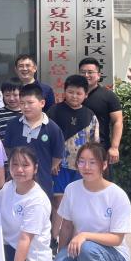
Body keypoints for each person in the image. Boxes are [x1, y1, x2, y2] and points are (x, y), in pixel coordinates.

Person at [52, 143, 131, 261]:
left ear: (104, 165)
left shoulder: (117, 195)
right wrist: (61, 254)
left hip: (114, 255)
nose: (86, 167)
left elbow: (117, 239)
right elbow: (66, 226)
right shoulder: (72, 189)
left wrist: (84, 235)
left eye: (92, 162)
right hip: (82, 250)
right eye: (81, 162)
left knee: (87, 248)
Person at [48, 75, 99, 241]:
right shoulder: (54, 111)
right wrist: (53, 160)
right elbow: (47, 138)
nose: (74, 96)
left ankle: (75, 239)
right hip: (59, 167)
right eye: (70, 92)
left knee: (78, 204)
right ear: (64, 92)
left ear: (86, 95)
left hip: (81, 168)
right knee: (59, 202)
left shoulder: (90, 115)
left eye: (78, 93)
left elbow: (94, 143)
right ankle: (54, 238)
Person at [2, 84, 65, 201]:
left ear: (42, 103)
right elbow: (8, 149)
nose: (26, 107)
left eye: (30, 103)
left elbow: (57, 157)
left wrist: (42, 167)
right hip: (16, 181)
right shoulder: (12, 125)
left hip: (42, 182)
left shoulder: (53, 128)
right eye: (22, 103)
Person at [80, 57, 123, 165]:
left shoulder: (108, 96)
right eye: (83, 72)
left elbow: (118, 121)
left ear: (99, 75)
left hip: (100, 148)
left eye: (90, 72)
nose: (86, 75)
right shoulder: (74, 95)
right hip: (75, 148)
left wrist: (114, 147)